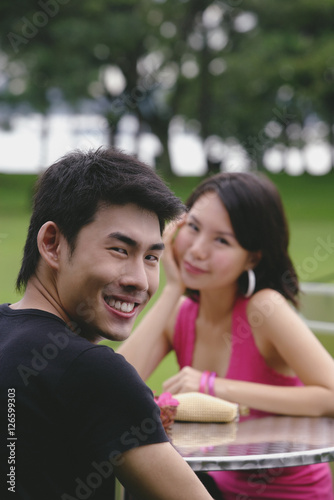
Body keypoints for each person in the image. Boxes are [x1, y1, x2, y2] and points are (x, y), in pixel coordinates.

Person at [0, 147, 215, 500]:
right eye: (119, 250)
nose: (140, 281)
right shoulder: (93, 372)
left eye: (151, 257)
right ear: (52, 244)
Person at [119, 171, 334, 500]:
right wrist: (173, 287)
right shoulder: (182, 315)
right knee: (145, 480)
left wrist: (212, 386)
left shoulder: (265, 310)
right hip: (218, 486)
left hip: (288, 493)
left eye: (222, 240)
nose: (198, 251)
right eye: (194, 228)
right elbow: (112, 389)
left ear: (252, 256)